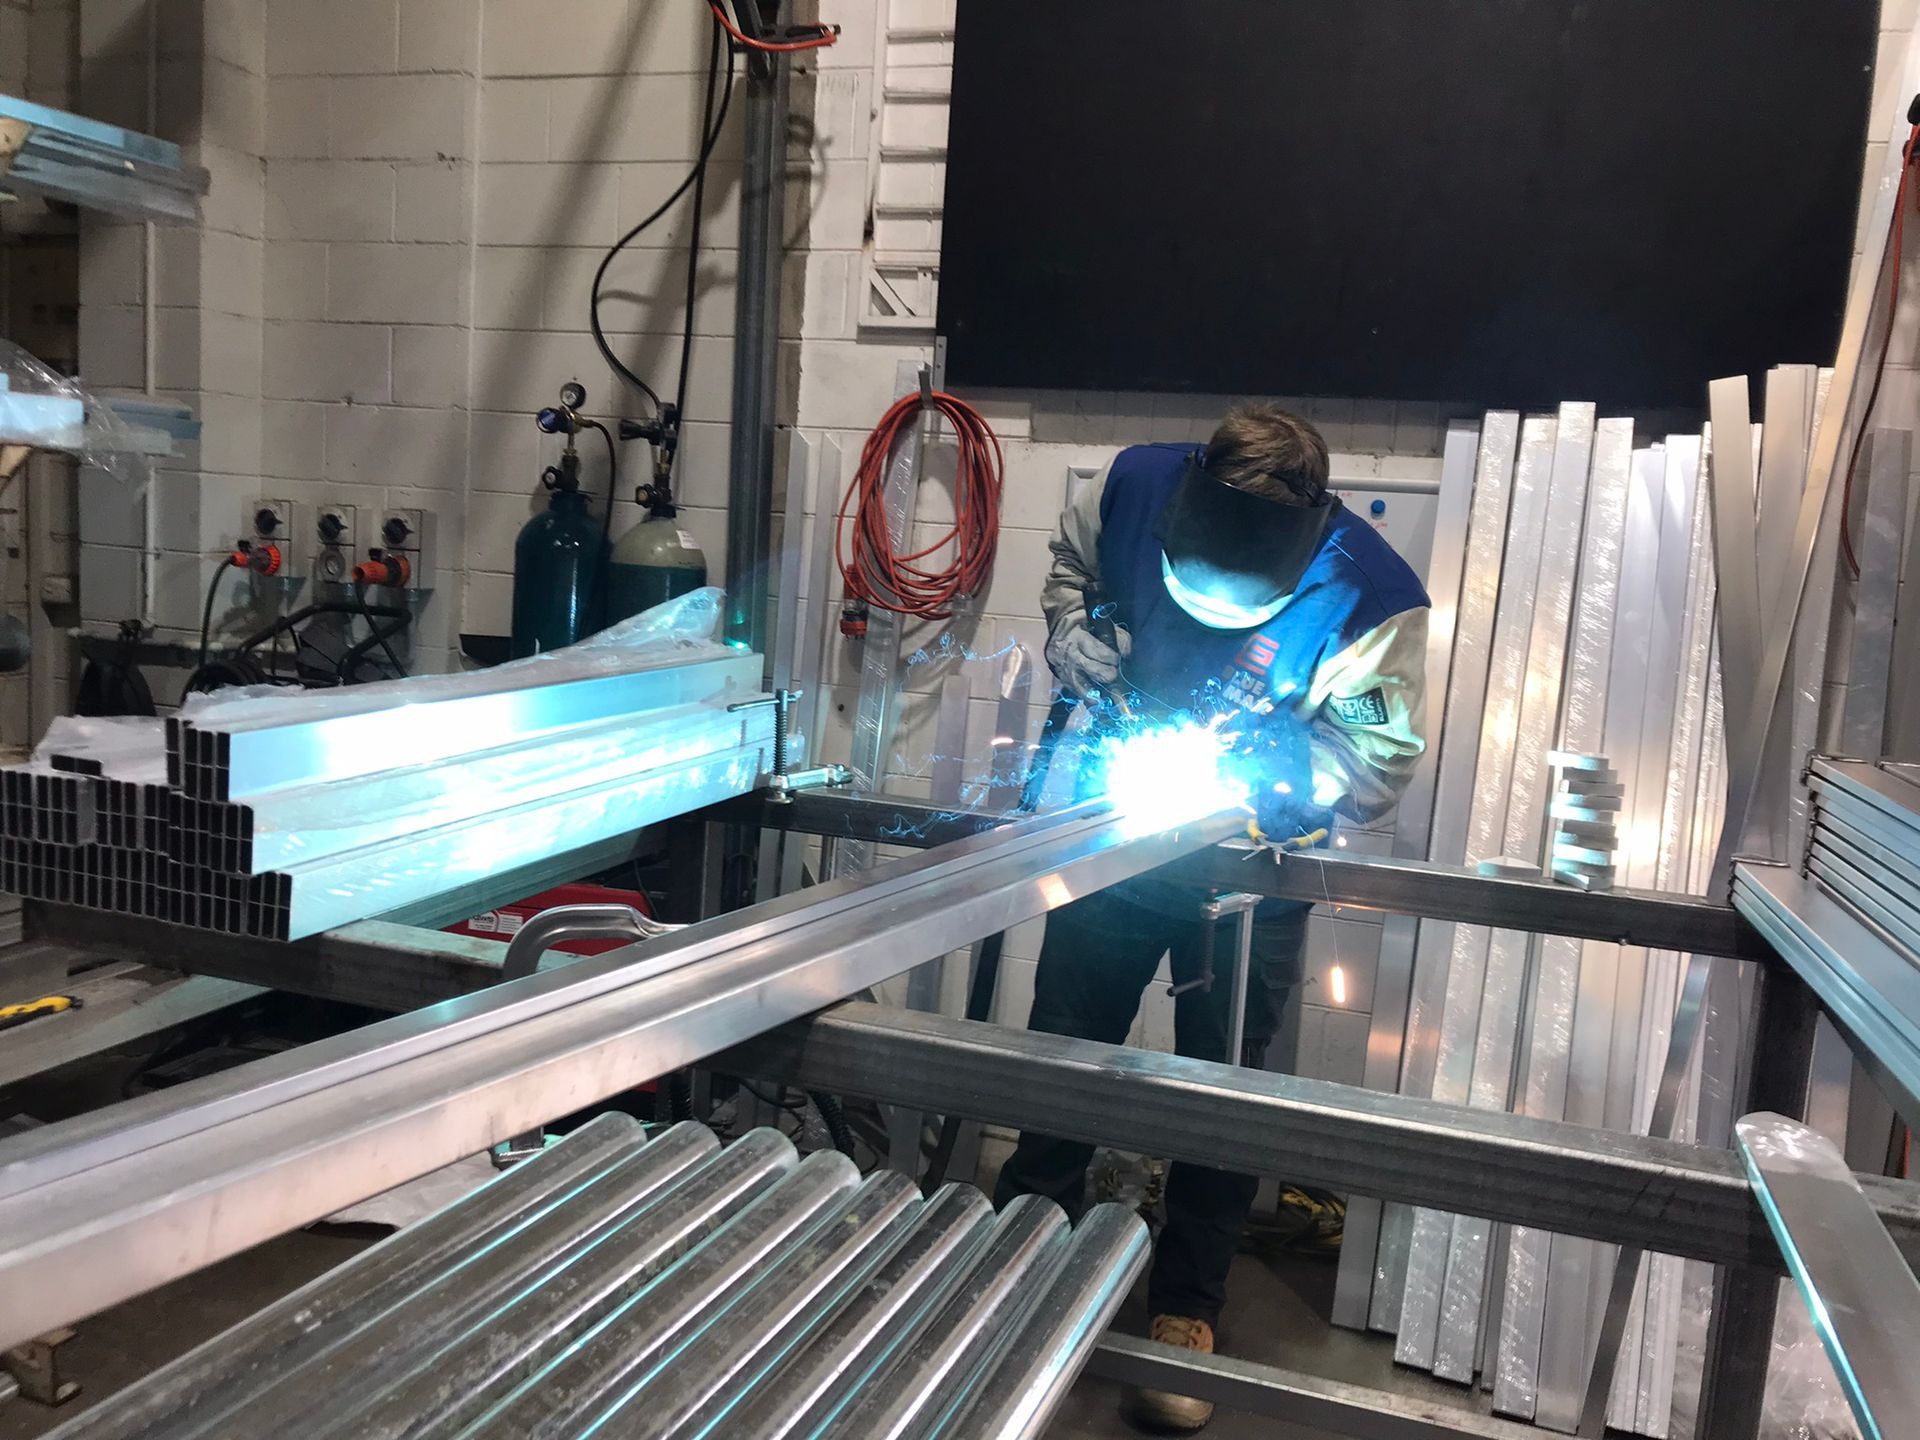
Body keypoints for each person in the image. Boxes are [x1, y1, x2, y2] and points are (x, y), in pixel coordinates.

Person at [994, 403, 1430, 1432]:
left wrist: (1287, 778)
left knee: (1225, 1086)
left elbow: (1377, 766)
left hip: (1254, 867)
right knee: (1064, 1047)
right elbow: (1072, 567)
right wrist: (1071, 628)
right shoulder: (1131, 487)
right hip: (1118, 834)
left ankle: (1186, 1309)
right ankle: (1019, 1257)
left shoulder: (1374, 599)